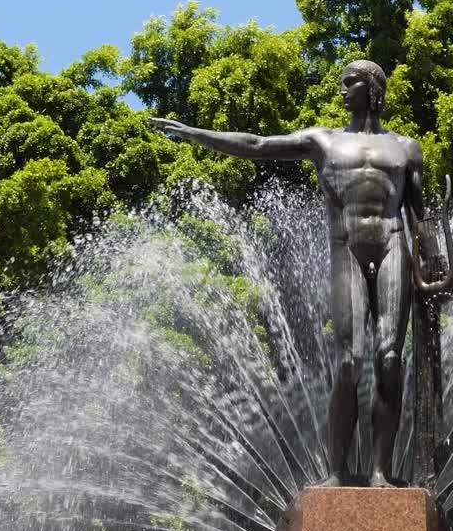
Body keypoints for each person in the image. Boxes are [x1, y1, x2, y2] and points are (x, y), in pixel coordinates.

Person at [149, 60, 423, 487]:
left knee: (389, 359)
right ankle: (336, 473)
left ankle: (380, 473)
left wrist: (435, 265)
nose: (341, 92)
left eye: (348, 83)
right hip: (346, 245)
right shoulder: (322, 140)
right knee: (349, 362)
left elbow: (420, 217)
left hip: (394, 242)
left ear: (370, 86)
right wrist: (196, 134)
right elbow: (257, 144)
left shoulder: (406, 147)